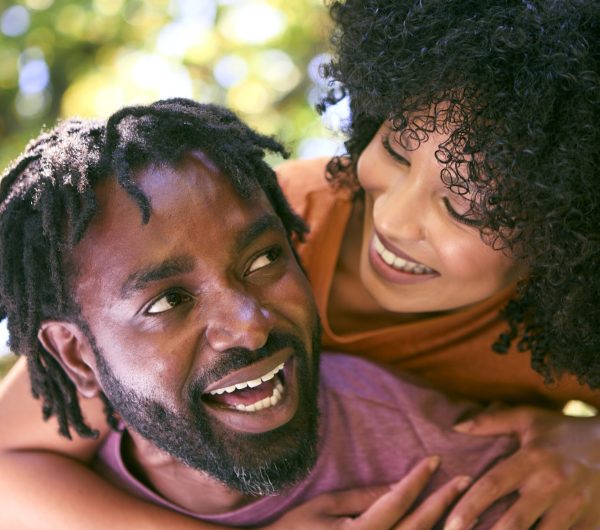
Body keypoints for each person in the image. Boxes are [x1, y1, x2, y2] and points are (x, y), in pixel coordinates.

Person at [0, 0, 599, 528]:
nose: (392, 220)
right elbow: (10, 466)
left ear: (568, 224)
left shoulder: (582, 316)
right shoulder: (244, 228)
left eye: (466, 207)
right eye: (393, 151)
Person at [0, 99, 517, 529]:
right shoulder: (73, 477)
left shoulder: (439, 476)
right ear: (77, 356)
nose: (249, 325)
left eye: (265, 259)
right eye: (167, 302)